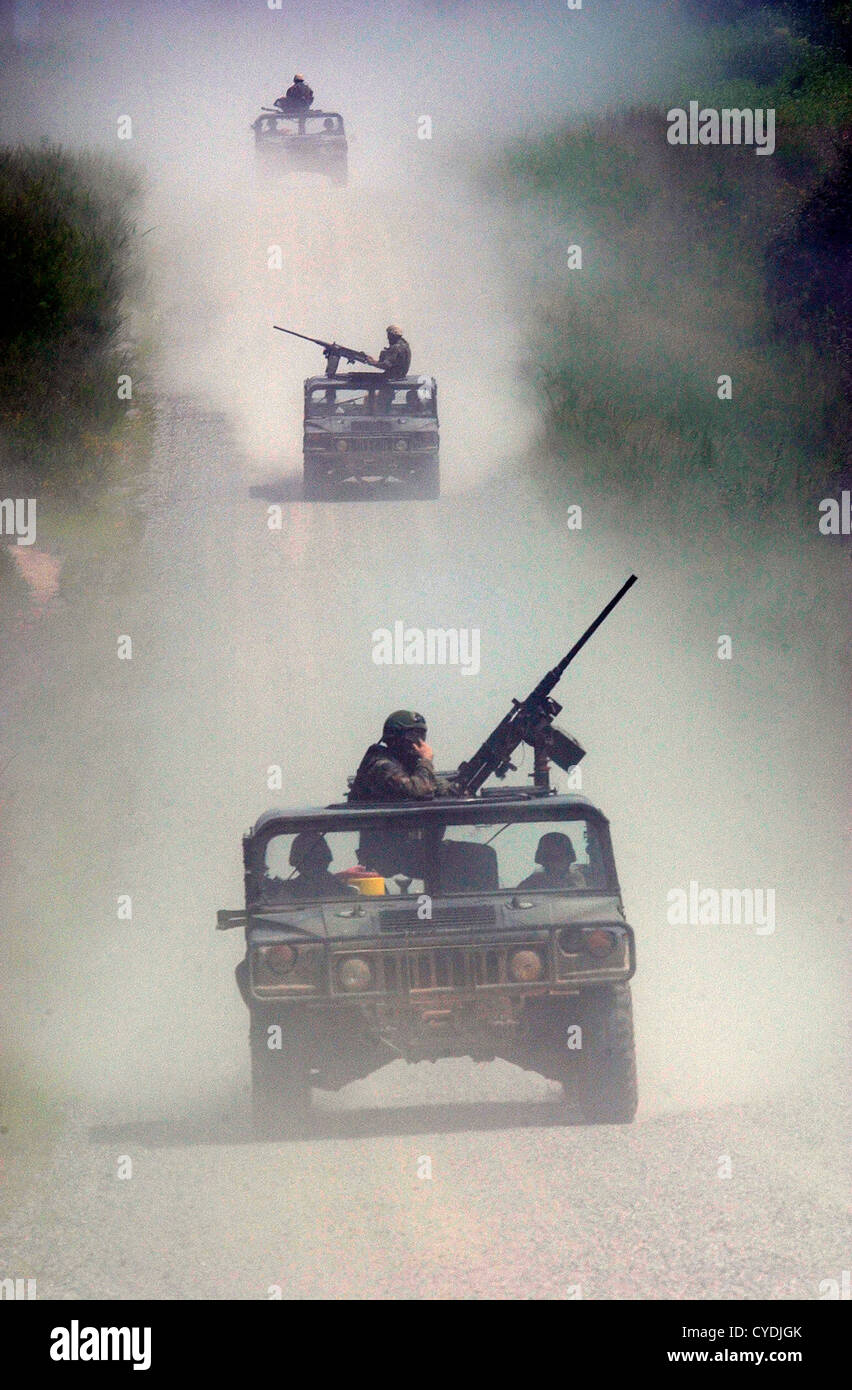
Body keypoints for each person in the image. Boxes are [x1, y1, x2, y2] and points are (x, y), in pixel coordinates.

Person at [349, 710, 451, 800]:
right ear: (395, 737)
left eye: (421, 735)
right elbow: (419, 791)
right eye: (413, 735)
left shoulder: (404, 764)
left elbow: (436, 786)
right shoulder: (381, 766)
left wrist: (459, 787)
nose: (419, 741)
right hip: (371, 821)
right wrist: (426, 760)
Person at [262, 832, 358, 901]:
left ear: (295, 861)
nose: (314, 862)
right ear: (327, 858)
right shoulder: (342, 888)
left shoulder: (286, 891)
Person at [517, 832, 586, 891]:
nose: (555, 863)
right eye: (551, 858)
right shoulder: (532, 882)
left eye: (560, 858)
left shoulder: (580, 880)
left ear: (569, 859)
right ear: (543, 861)